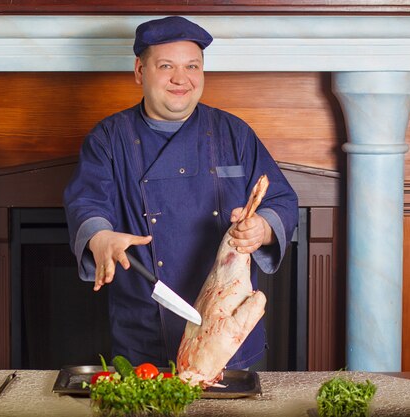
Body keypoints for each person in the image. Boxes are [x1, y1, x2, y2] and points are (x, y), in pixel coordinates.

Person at [64, 16, 298, 370]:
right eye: (166, 66)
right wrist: (100, 237)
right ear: (140, 71)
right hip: (145, 325)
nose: (181, 78)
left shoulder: (233, 132)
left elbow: (280, 199)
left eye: (192, 66)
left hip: (226, 328)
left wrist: (261, 228)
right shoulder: (109, 138)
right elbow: (88, 202)